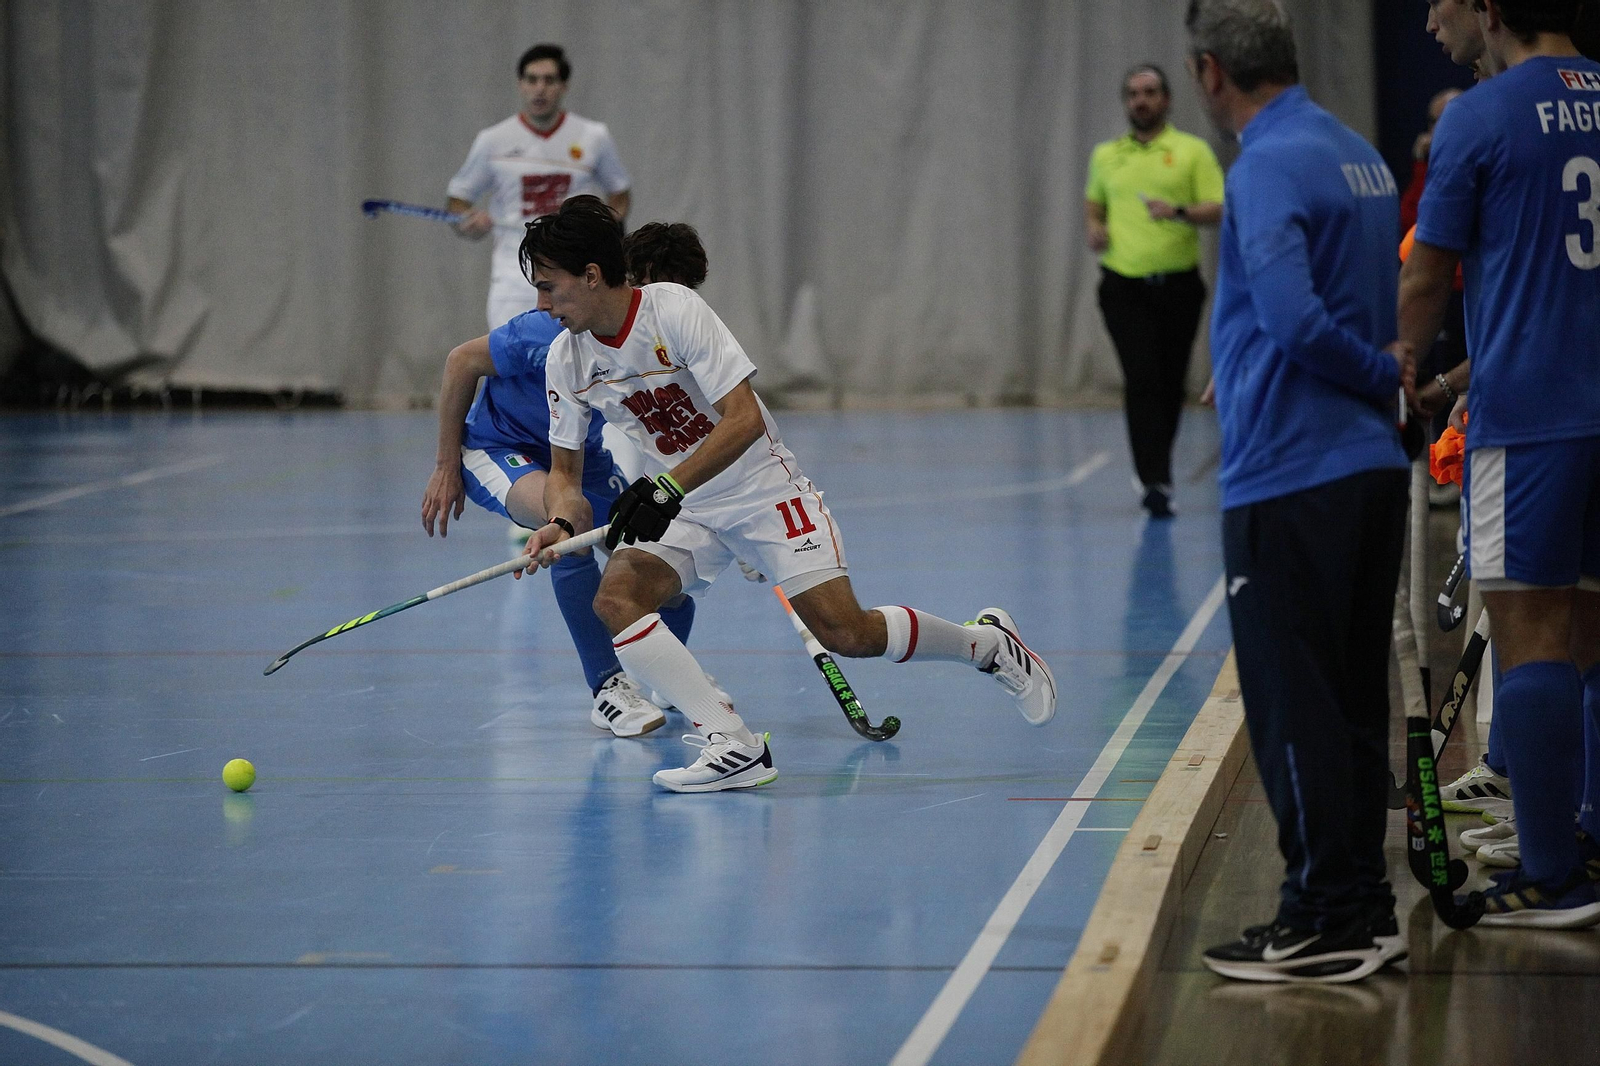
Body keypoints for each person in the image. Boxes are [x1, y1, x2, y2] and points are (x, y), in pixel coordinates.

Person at [519, 196, 1057, 794]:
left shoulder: (675, 310)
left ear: (592, 275)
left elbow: (744, 419)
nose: (542, 305)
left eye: (549, 287)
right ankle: (734, 745)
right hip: (689, 506)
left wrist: (666, 486)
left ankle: (985, 646)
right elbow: (564, 475)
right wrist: (561, 524)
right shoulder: (566, 360)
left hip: (761, 492)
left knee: (848, 635)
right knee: (618, 597)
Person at [1184, 0, 1416, 982]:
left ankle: (1323, 914)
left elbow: (1293, 317)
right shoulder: (1356, 152)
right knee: (1354, 701)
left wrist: (1377, 371)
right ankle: (1362, 906)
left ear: (1210, 72)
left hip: (1291, 474)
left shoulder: (1263, 164)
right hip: (1369, 471)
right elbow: (1338, 299)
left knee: (1295, 705)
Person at [1398, 0, 1600, 927]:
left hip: (1531, 419)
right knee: (1590, 639)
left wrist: (1399, 373)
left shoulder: (1480, 114)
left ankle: (1553, 875)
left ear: (1490, 8)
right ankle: (1584, 834)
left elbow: (1425, 276)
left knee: (1531, 639)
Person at [418, 225, 712, 739]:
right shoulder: (545, 333)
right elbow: (461, 361)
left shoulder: (659, 342)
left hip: (578, 457)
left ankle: (668, 673)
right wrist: (445, 465)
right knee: (570, 530)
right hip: (500, 451)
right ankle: (607, 687)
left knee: (658, 555)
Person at [1084, 65, 1226, 518]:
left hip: (1178, 286)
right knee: (1142, 376)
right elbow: (1094, 204)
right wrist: (1095, 227)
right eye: (1133, 94)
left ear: (1165, 99)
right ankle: (1155, 480)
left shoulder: (1191, 151)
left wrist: (1179, 211)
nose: (1140, 101)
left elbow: (1219, 206)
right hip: (1123, 286)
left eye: (1149, 92)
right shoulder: (1107, 155)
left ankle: (1156, 466)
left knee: (1169, 382)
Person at [447, 44, 633, 330]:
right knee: (511, 353)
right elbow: (458, 200)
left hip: (574, 277)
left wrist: (606, 229)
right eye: (532, 80)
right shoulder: (493, 140)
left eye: (549, 80)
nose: (540, 89)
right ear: (520, 84)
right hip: (513, 277)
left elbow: (619, 192)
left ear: (564, 86)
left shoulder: (594, 136)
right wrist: (466, 222)